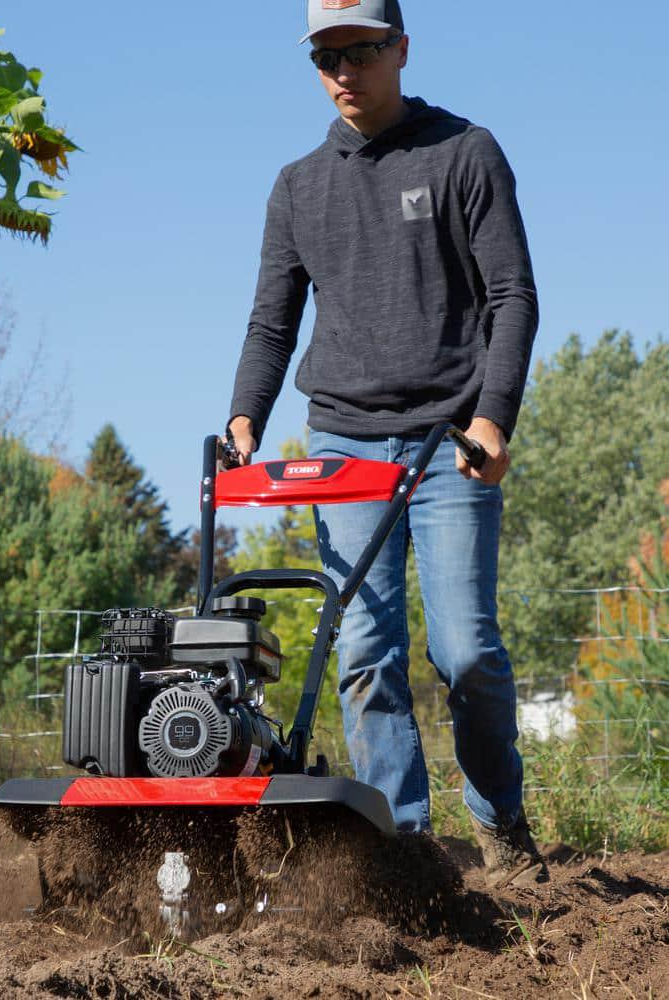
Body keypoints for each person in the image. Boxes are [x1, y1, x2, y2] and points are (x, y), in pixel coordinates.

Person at [227, 0, 547, 888]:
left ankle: (501, 824)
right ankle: (404, 854)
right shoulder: (297, 184)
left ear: (401, 49)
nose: (343, 73)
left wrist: (492, 421)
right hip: (344, 447)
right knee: (365, 654)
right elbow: (270, 321)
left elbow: (513, 297)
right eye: (326, 57)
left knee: (466, 652)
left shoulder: (464, 153)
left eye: (361, 51)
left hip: (451, 442)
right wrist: (245, 418)